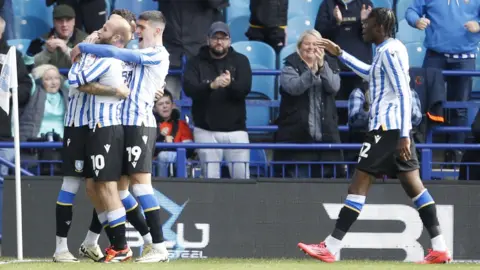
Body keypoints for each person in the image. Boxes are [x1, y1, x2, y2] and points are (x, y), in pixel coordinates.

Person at [298, 8, 451, 264]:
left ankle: (331, 246)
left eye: (367, 23)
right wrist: (341, 53)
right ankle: (440, 247)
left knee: (358, 185)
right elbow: (371, 74)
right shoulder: (387, 49)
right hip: (393, 130)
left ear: (380, 26)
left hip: (386, 130)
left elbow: (404, 93)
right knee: (415, 187)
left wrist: (404, 135)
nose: (363, 27)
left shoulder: (390, 51)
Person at [71, 10, 171, 263]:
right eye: (137, 27)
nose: (138, 31)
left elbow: (117, 52)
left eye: (143, 27)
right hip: (121, 125)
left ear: (157, 30)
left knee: (140, 185)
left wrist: (82, 45)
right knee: (117, 190)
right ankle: (140, 243)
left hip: (138, 124)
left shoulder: (157, 53)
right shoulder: (139, 54)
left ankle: (158, 246)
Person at [52, 10, 147, 263]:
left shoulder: (116, 56)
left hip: (103, 126)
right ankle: (62, 248)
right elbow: (74, 79)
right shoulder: (91, 49)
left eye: (107, 27)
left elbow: (136, 79)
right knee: (79, 186)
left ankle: (108, 243)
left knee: (103, 186)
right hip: (78, 123)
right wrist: (84, 48)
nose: (100, 29)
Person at [405, 0, 480, 164]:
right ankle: (420, 154)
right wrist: (416, 21)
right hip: (435, 55)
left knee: (460, 107)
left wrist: (479, 25)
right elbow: (411, 11)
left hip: (465, 56)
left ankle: (455, 157)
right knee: (424, 104)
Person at [183, 21, 252, 179]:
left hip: (236, 131)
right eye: (215, 38)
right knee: (209, 182)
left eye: (223, 38)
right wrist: (211, 86)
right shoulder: (195, 62)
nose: (219, 42)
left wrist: (229, 84)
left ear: (229, 40)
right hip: (205, 130)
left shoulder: (241, 61)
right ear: (208, 40)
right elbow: (189, 89)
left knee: (242, 181)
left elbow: (244, 89)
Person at [273, 29, 343, 179]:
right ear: (299, 46)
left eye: (316, 44)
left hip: (326, 137)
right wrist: (312, 71)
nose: (311, 47)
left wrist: (322, 67)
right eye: (307, 44)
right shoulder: (290, 65)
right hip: (296, 137)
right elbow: (294, 87)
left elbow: (334, 86)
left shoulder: (330, 63)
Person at [28, 4, 88, 69]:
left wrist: (67, 50)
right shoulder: (41, 41)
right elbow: (29, 67)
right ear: (54, 22)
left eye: (68, 20)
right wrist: (47, 52)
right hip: (50, 78)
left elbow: (88, 66)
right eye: (60, 21)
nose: (64, 24)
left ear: (74, 21)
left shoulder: (85, 40)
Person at [153, 90, 194, 177]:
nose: (165, 106)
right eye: (160, 104)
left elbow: (189, 149)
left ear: (173, 105)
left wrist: (172, 145)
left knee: (178, 157)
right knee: (163, 156)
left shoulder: (181, 124)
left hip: (179, 159)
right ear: (155, 108)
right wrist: (161, 138)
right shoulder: (150, 125)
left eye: (167, 103)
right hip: (154, 163)